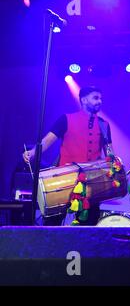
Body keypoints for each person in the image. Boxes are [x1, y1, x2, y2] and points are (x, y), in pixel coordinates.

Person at [23, 86, 113, 225]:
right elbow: (47, 141)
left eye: (100, 98)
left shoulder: (104, 124)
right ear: (84, 100)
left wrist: (115, 168)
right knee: (53, 224)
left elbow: (109, 153)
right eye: (95, 98)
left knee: (89, 225)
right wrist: (33, 153)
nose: (99, 101)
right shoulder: (66, 119)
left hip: (92, 181)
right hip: (65, 179)